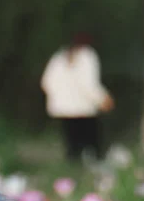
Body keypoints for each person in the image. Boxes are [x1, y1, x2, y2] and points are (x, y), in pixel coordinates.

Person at [41, 33, 114, 162]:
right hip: (83, 108)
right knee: (92, 142)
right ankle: (93, 164)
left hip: (62, 109)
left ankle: (73, 167)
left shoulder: (59, 57)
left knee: (72, 143)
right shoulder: (88, 56)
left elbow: (46, 82)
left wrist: (59, 97)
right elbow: (89, 84)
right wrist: (103, 99)